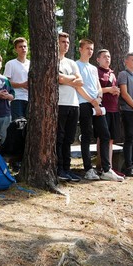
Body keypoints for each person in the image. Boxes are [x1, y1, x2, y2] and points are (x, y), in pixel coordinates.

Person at [76, 40, 120, 181]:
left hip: (97, 104)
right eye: (87, 48)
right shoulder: (76, 65)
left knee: (105, 134)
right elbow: (78, 87)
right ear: (80, 49)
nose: (90, 51)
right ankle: (88, 169)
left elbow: (98, 87)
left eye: (91, 49)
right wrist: (92, 101)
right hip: (84, 103)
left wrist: (99, 99)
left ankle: (106, 169)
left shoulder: (93, 69)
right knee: (87, 135)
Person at [55, 33, 83, 182]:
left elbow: (80, 81)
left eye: (67, 42)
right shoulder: (53, 60)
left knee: (69, 139)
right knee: (59, 138)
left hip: (74, 104)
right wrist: (72, 79)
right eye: (63, 42)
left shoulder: (71, 63)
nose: (66, 44)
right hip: (60, 103)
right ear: (56, 43)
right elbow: (59, 79)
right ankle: (59, 168)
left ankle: (67, 168)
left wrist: (67, 79)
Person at [97, 49, 124, 176]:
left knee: (111, 139)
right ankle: (101, 167)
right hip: (103, 109)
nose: (107, 59)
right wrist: (108, 89)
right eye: (104, 57)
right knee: (102, 138)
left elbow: (115, 88)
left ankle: (110, 167)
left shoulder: (112, 73)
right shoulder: (96, 72)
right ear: (98, 59)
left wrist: (116, 91)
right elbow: (95, 90)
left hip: (114, 109)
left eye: (108, 56)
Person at [4, 37, 29, 120]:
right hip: (16, 98)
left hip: (30, 99)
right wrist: (21, 85)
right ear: (16, 49)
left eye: (25, 46)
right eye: (20, 47)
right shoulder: (10, 64)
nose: (23, 48)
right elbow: (5, 82)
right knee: (18, 124)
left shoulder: (32, 64)